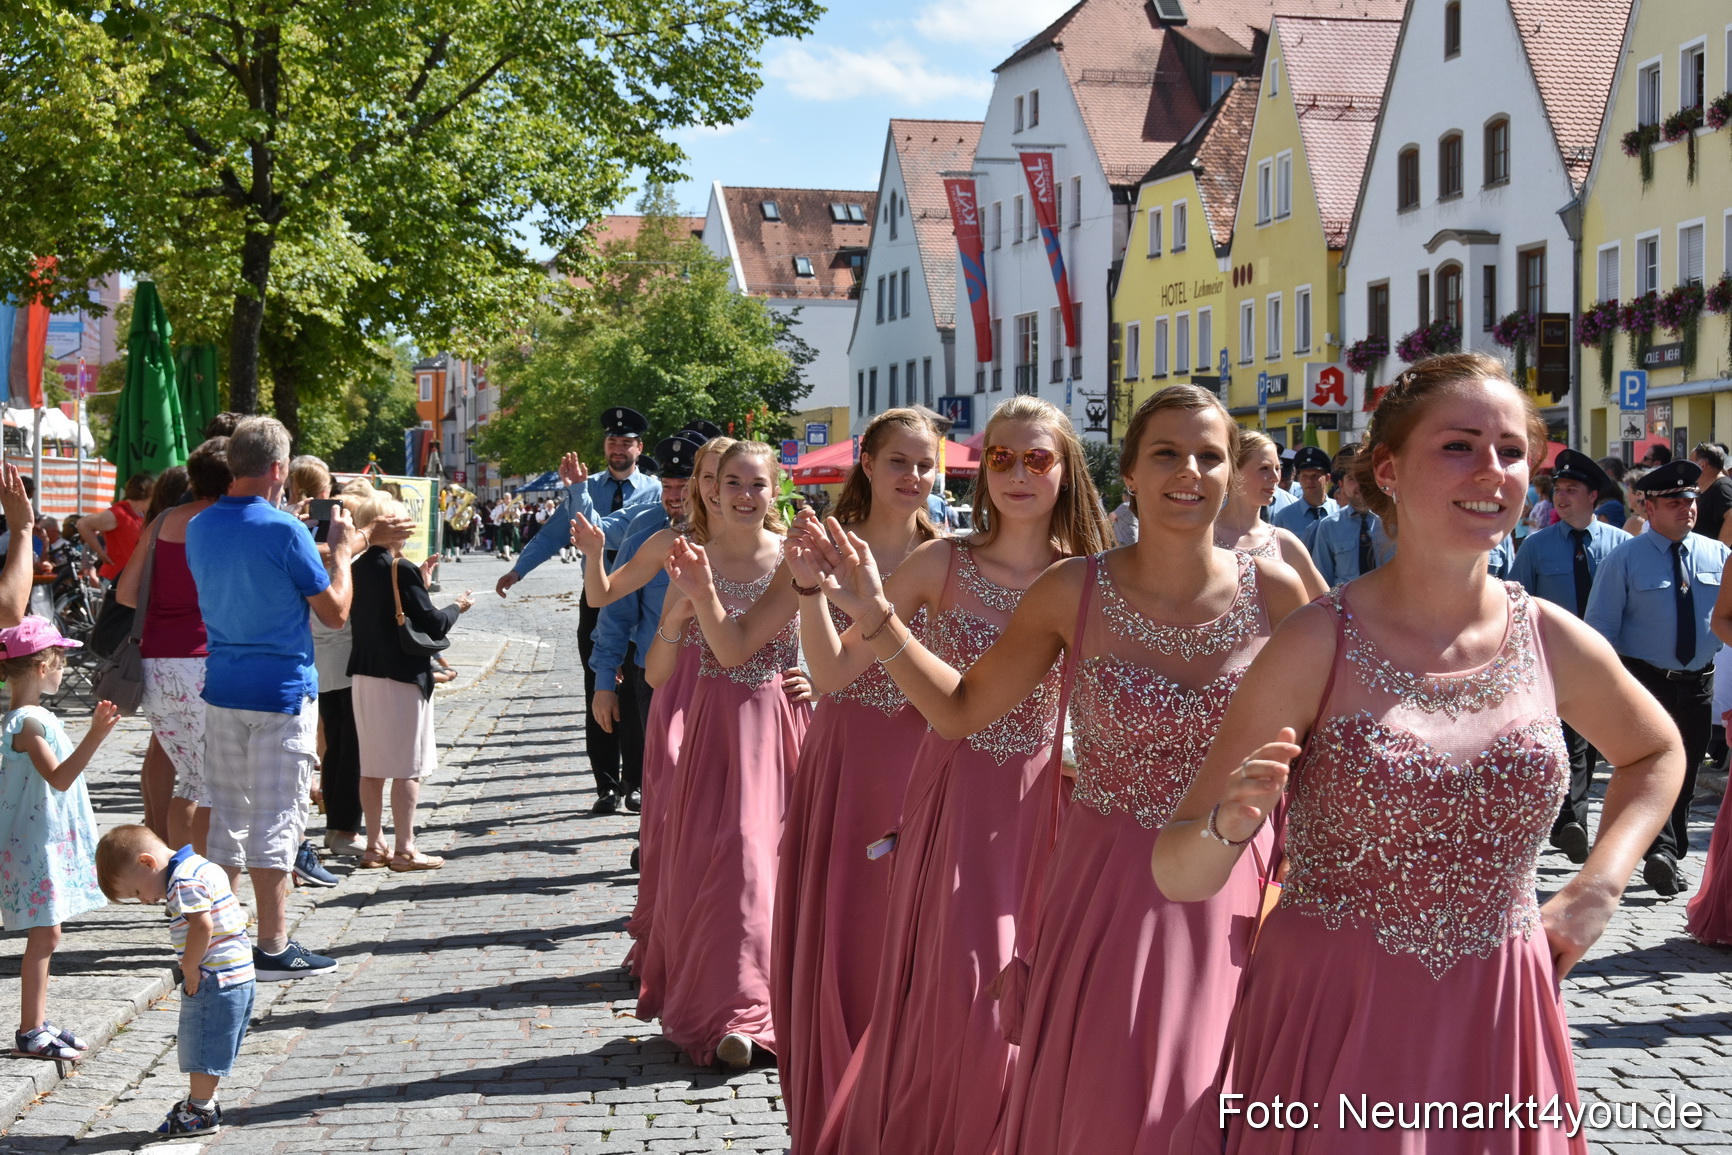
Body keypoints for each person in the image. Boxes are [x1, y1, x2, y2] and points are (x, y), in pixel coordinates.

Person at [1154, 352, 1684, 1153]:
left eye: (1511, 450)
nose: (1492, 470)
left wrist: (1599, 884)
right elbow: (1176, 868)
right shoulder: (1315, 641)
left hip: (1496, 1004)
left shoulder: (1549, 635)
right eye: (1459, 445)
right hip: (1337, 1009)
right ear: (1389, 470)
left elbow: (1655, 751)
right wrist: (1228, 827)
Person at [805, 387, 1305, 1153]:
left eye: (1209, 455)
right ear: (1128, 472)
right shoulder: (1075, 589)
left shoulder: (1276, 589)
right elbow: (962, 709)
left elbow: (1335, 737)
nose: (1190, 470)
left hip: (1230, 882)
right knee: (1103, 1100)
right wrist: (873, 614)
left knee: (1208, 1091)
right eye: (1166, 452)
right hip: (1104, 879)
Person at [799, 396, 1109, 1155]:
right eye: (1001, 457)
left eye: (1037, 458)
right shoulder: (942, 562)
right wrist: (810, 595)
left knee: (1034, 994)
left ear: (1066, 470)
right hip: (958, 801)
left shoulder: (1092, 579)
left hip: (1053, 805)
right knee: (965, 992)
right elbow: (835, 674)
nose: (1018, 473)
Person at [774, 409, 943, 1153]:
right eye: (899, 461)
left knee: (920, 939)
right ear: (867, 464)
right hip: (850, 758)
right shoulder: (830, 546)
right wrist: (810, 590)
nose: (914, 477)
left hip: (928, 756)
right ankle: (842, 1107)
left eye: (926, 464)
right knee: (850, 934)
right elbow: (829, 671)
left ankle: (904, 1104)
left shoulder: (951, 555)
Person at [641, 441, 810, 1070]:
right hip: (713, 730)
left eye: (757, 484)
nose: (744, 495)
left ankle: (756, 1011)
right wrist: (677, 615)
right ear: (712, 490)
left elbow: (756, 645)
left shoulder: (792, 557)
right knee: (712, 865)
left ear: (775, 489)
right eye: (732, 483)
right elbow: (658, 671)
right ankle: (722, 1008)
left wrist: (819, 679)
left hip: (776, 727)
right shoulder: (694, 560)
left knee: (759, 861)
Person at [184, 416, 358, 980]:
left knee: (227, 819)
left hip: (223, 686)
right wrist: (342, 554)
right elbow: (335, 612)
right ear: (279, 469)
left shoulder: (200, 526)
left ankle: (222, 938)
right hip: (280, 691)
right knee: (278, 818)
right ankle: (273, 945)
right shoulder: (285, 532)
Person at [499, 407, 661, 814]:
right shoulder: (583, 487)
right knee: (599, 689)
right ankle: (606, 784)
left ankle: (636, 782)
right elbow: (556, 534)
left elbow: (606, 533)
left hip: (642, 600)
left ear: (639, 448)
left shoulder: (659, 491)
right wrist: (519, 569)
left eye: (626, 443)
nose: (618, 449)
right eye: (612, 442)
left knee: (637, 690)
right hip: (597, 599)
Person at [1585, 458, 1729, 898]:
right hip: (1645, 680)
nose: (1687, 508)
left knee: (1687, 770)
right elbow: (1600, 630)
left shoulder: (1719, 555)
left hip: (1699, 680)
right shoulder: (1624, 559)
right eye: (1674, 502)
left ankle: (1669, 850)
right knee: (1656, 769)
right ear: (1649, 508)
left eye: (1691, 500)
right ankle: (1661, 852)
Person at [0, 619, 119, 1061]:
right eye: (61, 661)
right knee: (46, 935)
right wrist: (96, 735)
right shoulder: (26, 724)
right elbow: (60, 777)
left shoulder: (35, 718)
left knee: (49, 933)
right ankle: (30, 1029)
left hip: (42, 841)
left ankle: (37, 1020)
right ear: (42, 666)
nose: (64, 668)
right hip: (35, 846)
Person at [1510, 450, 1632, 865]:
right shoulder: (1536, 546)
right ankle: (1569, 820)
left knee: (1590, 741)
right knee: (1567, 740)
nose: (1561, 498)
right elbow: (1517, 606)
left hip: (1606, 660)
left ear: (1593, 496)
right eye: (1558, 490)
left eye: (1571, 490)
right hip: (1553, 661)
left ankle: (1568, 821)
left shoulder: (1621, 545)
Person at [96, 824, 254, 1136]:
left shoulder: (182, 881)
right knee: (216, 1043)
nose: (144, 901)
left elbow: (202, 926)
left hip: (214, 975)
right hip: (238, 972)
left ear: (147, 862)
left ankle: (200, 1111)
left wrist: (191, 968)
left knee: (202, 1045)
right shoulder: (201, 865)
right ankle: (206, 1101)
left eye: (136, 892)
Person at [117, 439, 234, 857]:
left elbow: (126, 594)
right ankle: (204, 878)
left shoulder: (163, 520)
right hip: (202, 661)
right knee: (213, 781)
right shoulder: (226, 522)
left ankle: (180, 877)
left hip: (154, 663)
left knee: (191, 779)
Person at [347, 495, 473, 871]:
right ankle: (404, 848)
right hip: (401, 675)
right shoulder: (399, 567)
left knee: (371, 766)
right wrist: (457, 606)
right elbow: (434, 623)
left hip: (365, 674)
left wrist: (421, 584)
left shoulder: (356, 565)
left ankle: (374, 845)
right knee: (408, 766)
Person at [588, 435, 702, 824]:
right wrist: (605, 681)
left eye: (683, 487)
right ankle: (655, 843)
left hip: (717, 674)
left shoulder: (732, 533)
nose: (674, 497)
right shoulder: (648, 529)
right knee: (662, 772)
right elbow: (615, 609)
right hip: (655, 675)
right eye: (667, 486)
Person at [1214, 429, 1327, 600]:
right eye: (1264, 468)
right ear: (1234, 471)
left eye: (1277, 468)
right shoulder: (1201, 536)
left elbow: (1328, 605)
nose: (1275, 477)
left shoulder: (1285, 543)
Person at [1305, 464, 1394, 587]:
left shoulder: (1394, 521)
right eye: (1351, 479)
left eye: (1365, 477)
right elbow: (1322, 580)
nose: (1360, 485)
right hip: (1346, 599)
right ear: (1341, 485)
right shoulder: (1329, 526)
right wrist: (1335, 599)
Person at [78, 472, 152, 581]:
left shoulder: (138, 513)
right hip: (115, 578)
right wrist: (101, 553)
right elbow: (82, 524)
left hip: (128, 578)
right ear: (148, 495)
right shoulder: (119, 513)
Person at [1268, 445, 1336, 539]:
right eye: (1305, 476)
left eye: (1315, 476)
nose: (1309, 481)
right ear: (1298, 478)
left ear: (1327, 478)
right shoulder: (1284, 517)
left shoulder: (1339, 511)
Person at [1693, 443, 1732, 542]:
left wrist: (1719, 549)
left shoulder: (1722, 487)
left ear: (1702, 465)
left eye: (1691, 463)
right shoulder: (1707, 487)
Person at [1596, 456, 1628, 525]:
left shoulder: (1611, 492)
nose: (1595, 475)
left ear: (1609, 472)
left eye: (1598, 471)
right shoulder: (1627, 490)